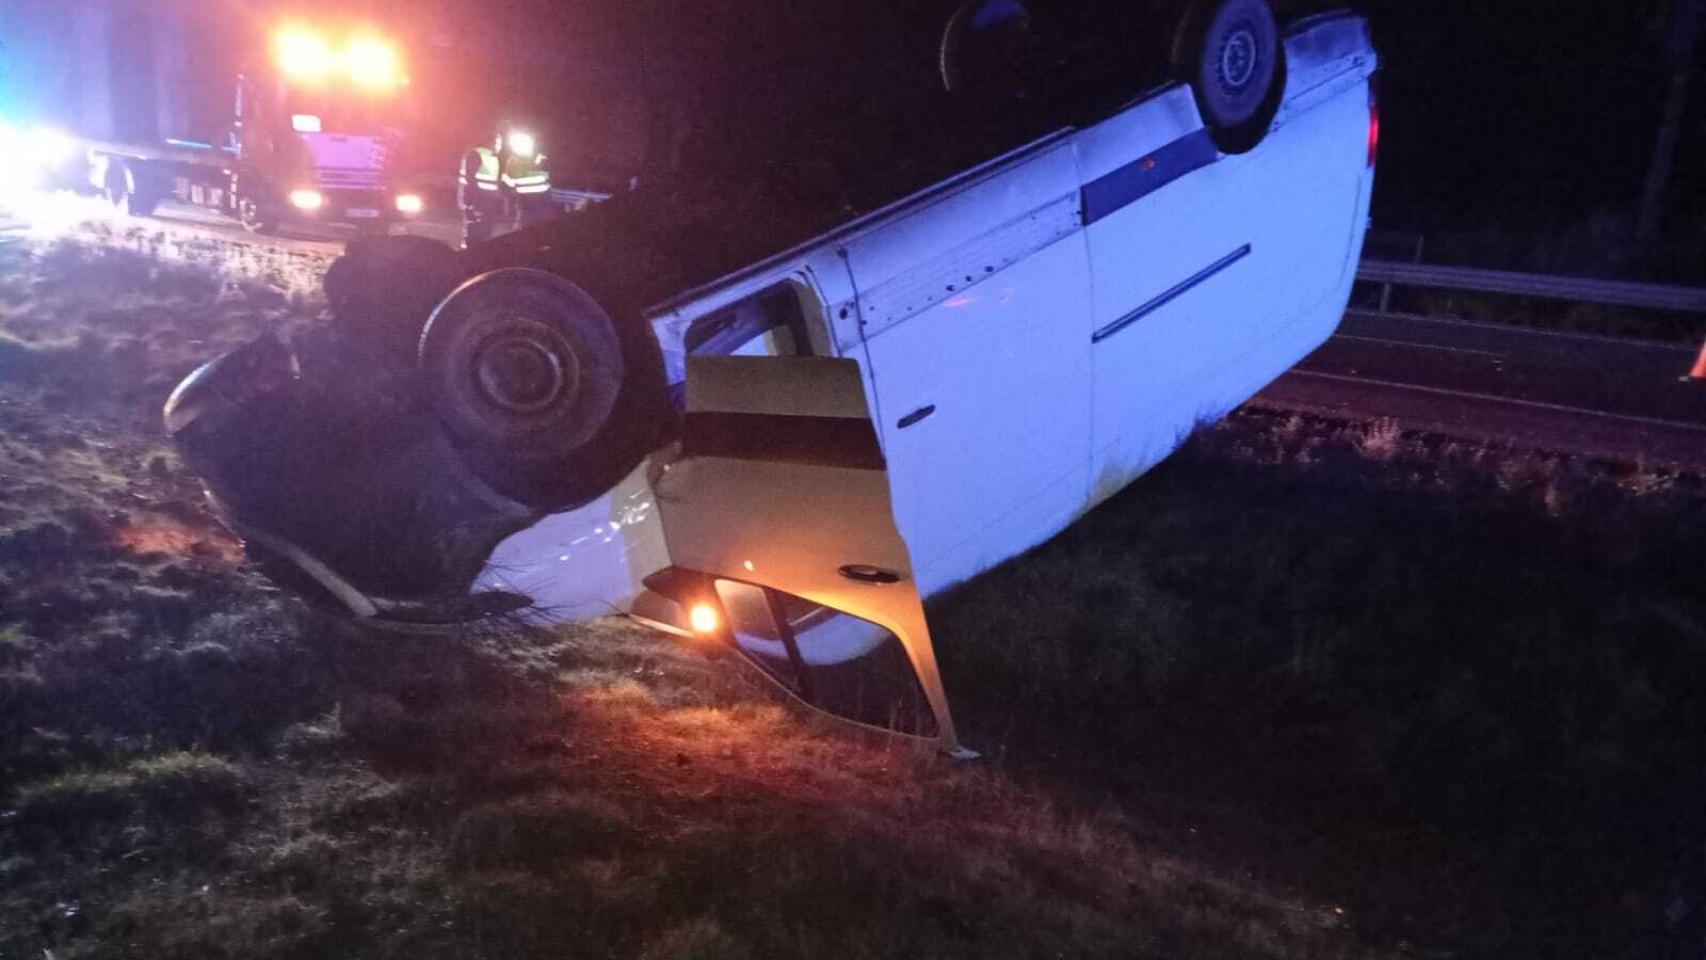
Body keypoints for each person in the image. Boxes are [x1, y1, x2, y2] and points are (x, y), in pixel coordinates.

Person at [458, 135, 505, 247]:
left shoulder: (493, 157)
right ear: (491, 143)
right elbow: (471, 180)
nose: (500, 147)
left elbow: (493, 183)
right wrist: (475, 203)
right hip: (478, 201)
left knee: (484, 233)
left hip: (487, 202)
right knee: (475, 233)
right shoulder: (476, 154)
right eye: (498, 143)